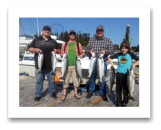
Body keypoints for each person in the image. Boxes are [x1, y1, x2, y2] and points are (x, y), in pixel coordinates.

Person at [28, 26, 61, 102]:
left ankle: (52, 92)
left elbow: (59, 50)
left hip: (51, 66)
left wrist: (57, 51)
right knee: (39, 81)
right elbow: (29, 48)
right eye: (46, 30)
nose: (47, 31)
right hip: (39, 66)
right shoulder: (36, 40)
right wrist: (35, 49)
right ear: (43, 31)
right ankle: (38, 94)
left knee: (52, 81)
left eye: (49, 30)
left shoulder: (53, 41)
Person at [85, 25, 115, 101]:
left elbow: (112, 50)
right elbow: (86, 50)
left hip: (102, 62)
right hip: (93, 61)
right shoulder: (92, 40)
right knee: (92, 78)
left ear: (103, 32)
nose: (99, 32)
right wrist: (89, 51)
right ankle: (91, 91)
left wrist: (106, 52)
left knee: (102, 78)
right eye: (98, 31)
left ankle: (103, 92)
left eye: (101, 31)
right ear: (96, 32)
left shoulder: (108, 40)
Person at [108, 41, 139, 107]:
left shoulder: (131, 54)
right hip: (119, 73)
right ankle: (119, 101)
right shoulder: (118, 54)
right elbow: (109, 57)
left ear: (128, 49)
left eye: (125, 48)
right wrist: (112, 63)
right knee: (118, 88)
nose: (124, 49)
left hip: (128, 74)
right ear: (120, 49)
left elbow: (138, 60)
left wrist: (134, 65)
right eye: (122, 48)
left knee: (126, 88)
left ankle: (125, 101)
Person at [60, 30, 85, 101]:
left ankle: (76, 93)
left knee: (76, 79)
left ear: (75, 35)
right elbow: (61, 54)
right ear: (69, 35)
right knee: (65, 79)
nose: (72, 35)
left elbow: (83, 53)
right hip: (66, 65)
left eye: (73, 34)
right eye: (71, 34)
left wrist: (81, 55)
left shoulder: (78, 44)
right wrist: (62, 55)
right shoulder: (64, 44)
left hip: (75, 65)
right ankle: (64, 94)